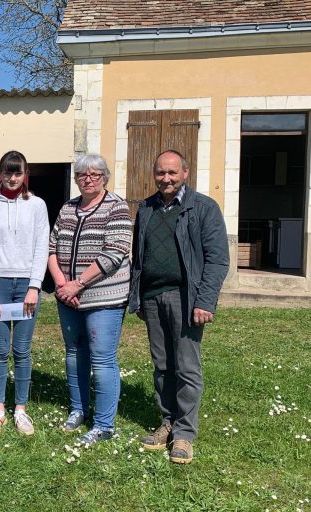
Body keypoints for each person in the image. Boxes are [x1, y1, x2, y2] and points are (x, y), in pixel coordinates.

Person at [129, 149, 229, 464]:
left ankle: (184, 434)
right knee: (162, 366)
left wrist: (204, 300)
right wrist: (138, 296)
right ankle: (168, 421)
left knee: (186, 366)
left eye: (172, 173)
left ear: (185, 173)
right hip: (152, 297)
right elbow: (138, 257)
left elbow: (217, 258)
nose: (166, 179)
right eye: (161, 173)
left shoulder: (203, 208)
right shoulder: (146, 208)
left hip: (186, 298)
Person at [48, 154, 132, 447]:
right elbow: (52, 246)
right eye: (82, 174)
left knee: (102, 359)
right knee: (74, 353)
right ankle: (78, 409)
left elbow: (114, 252)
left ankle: (104, 424)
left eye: (95, 174)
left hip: (103, 296)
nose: (88, 179)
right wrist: (61, 283)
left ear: (105, 178)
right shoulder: (68, 208)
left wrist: (78, 284)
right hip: (67, 296)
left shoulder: (116, 207)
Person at [0, 150, 49, 436]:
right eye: (7, 172)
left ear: (25, 174)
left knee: (21, 349)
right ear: (0, 173)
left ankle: (20, 410)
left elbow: (42, 245)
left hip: (25, 286)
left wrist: (34, 287)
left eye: (17, 172)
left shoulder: (38, 205)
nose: (12, 178)